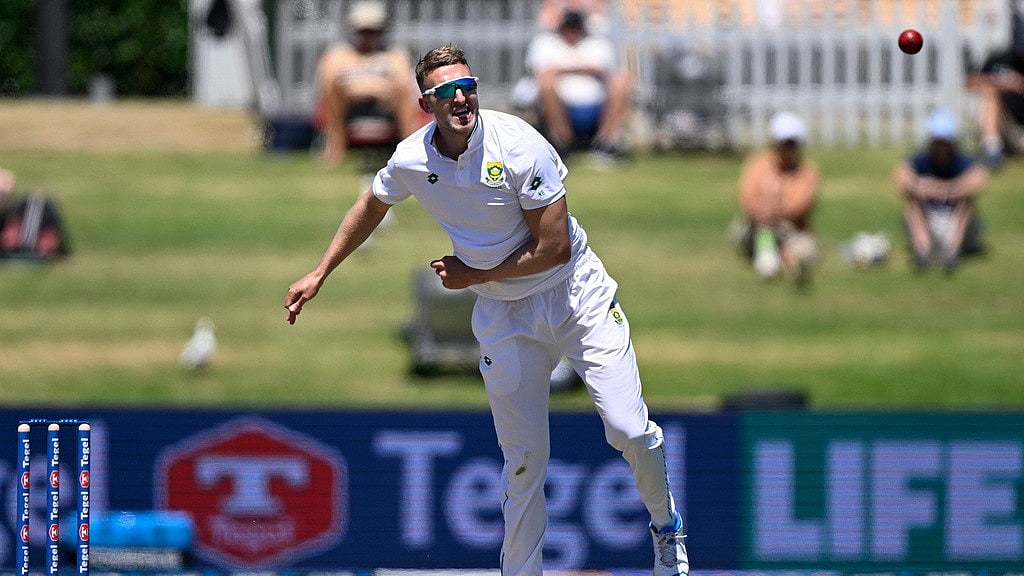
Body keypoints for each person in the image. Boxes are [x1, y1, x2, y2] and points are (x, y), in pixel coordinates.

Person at [285, 44, 689, 576]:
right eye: (447, 92)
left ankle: (666, 529)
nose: (462, 98)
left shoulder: (519, 144)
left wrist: (473, 275)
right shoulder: (412, 158)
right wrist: (320, 271)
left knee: (628, 429)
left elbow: (554, 248)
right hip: (503, 314)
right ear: (426, 103)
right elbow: (371, 203)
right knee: (522, 464)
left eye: (468, 87)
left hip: (574, 295)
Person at [313, 0, 422, 165]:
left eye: (372, 31)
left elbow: (404, 83)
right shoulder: (339, 54)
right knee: (333, 93)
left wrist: (368, 88)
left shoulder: (394, 54)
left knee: (403, 93)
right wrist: (369, 87)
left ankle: (410, 148)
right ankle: (335, 148)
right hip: (348, 108)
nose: (367, 36)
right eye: (363, 31)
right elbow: (328, 82)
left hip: (386, 109)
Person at [522, 9, 631, 158]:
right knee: (546, 84)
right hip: (563, 106)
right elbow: (542, 73)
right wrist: (581, 67)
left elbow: (602, 68)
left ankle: (605, 142)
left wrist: (562, 68)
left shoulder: (597, 44)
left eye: (576, 28)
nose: (571, 32)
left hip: (596, 106)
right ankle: (563, 142)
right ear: (560, 27)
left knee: (621, 80)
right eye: (568, 27)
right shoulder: (545, 44)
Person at [731, 111, 820, 288]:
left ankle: (788, 263)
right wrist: (763, 213)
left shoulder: (807, 172)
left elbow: (799, 206)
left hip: (791, 229)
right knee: (741, 231)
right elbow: (747, 198)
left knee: (807, 252)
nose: (786, 150)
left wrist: (773, 211)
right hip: (757, 225)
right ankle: (765, 257)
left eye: (791, 144)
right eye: (783, 144)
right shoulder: (758, 165)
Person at [892, 109, 988, 273]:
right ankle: (923, 250)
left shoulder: (962, 161)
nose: (941, 147)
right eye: (938, 142)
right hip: (929, 220)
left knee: (966, 202)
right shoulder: (921, 160)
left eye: (945, 142)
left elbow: (980, 179)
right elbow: (899, 177)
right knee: (912, 201)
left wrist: (951, 189)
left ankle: (952, 252)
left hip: (957, 223)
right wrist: (920, 186)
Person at [966, 9, 1024, 170]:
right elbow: (969, 82)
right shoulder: (1001, 58)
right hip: (1008, 126)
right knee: (990, 92)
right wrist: (1001, 83)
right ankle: (993, 151)